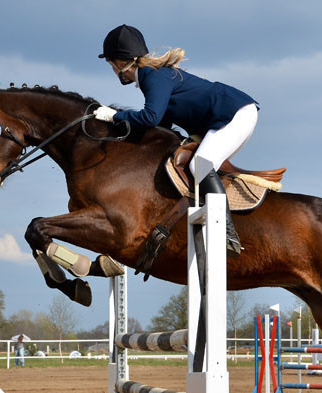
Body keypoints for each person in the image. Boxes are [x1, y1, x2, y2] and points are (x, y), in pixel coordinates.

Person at [94, 24, 259, 257]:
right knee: (195, 162)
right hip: (225, 116)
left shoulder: (154, 76)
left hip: (235, 114)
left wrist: (115, 116)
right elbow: (162, 126)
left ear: (121, 63)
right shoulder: (151, 77)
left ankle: (227, 234)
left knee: (200, 163)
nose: (113, 71)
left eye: (111, 65)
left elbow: (151, 117)